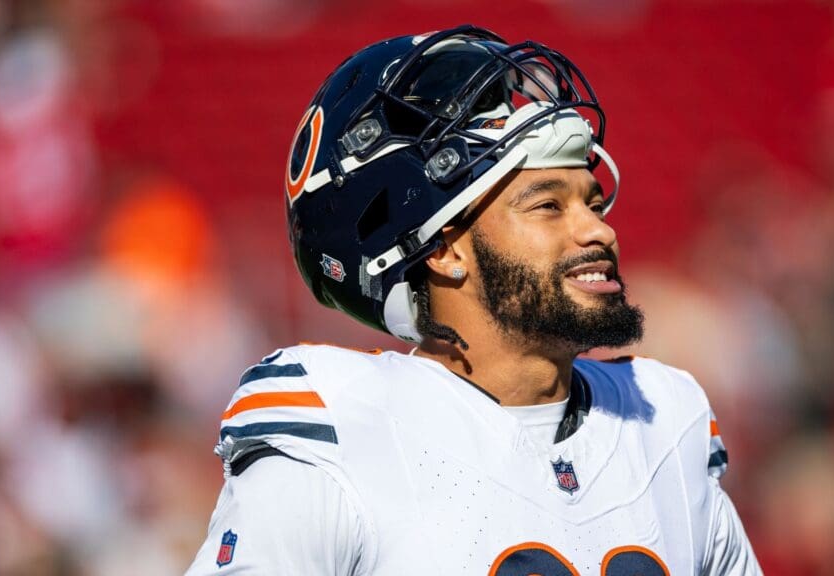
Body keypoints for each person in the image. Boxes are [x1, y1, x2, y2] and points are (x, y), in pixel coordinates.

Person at [187, 25, 762, 575]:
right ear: (442, 250)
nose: (599, 232)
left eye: (591, 201)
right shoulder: (345, 427)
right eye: (548, 206)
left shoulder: (663, 419)